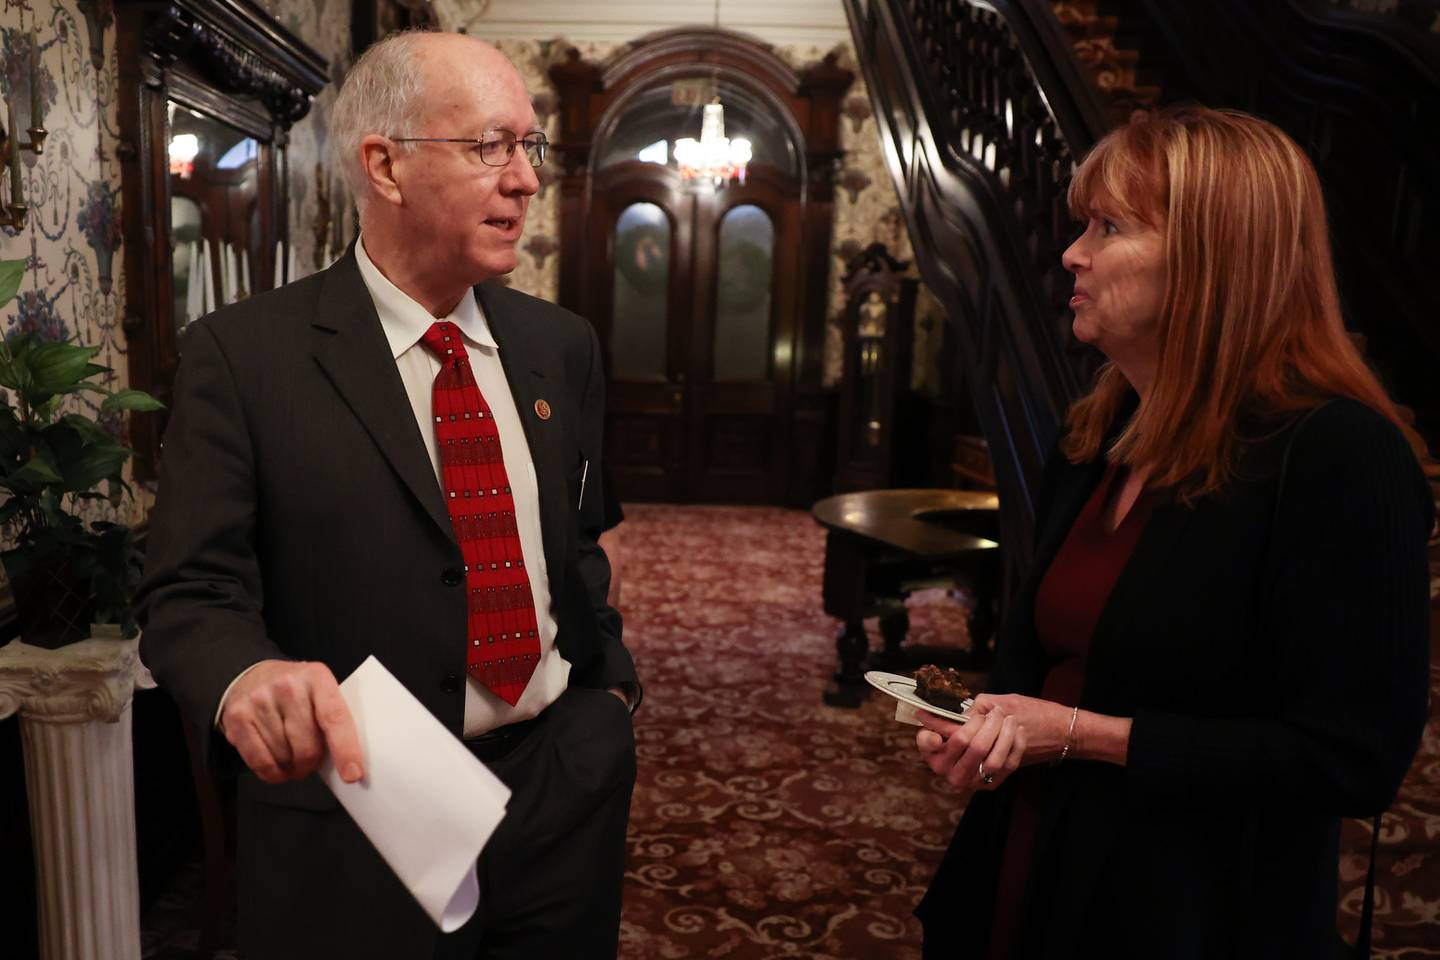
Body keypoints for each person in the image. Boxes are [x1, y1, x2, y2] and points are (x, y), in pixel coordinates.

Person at [138, 31, 639, 960]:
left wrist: (609, 701)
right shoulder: (244, 358)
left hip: (563, 789)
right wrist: (248, 676)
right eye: (492, 145)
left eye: (530, 147)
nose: (527, 180)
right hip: (361, 817)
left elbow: (575, 547)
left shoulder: (561, 347)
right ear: (386, 164)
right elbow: (188, 595)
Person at [912, 105, 1433, 959]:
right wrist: (988, 732)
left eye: (1109, 226)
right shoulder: (1095, 439)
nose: (1073, 252)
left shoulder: (1338, 456)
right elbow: (1038, 664)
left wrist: (1081, 735)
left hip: (1192, 905)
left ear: (1214, 259)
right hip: (1032, 861)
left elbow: (1353, 759)